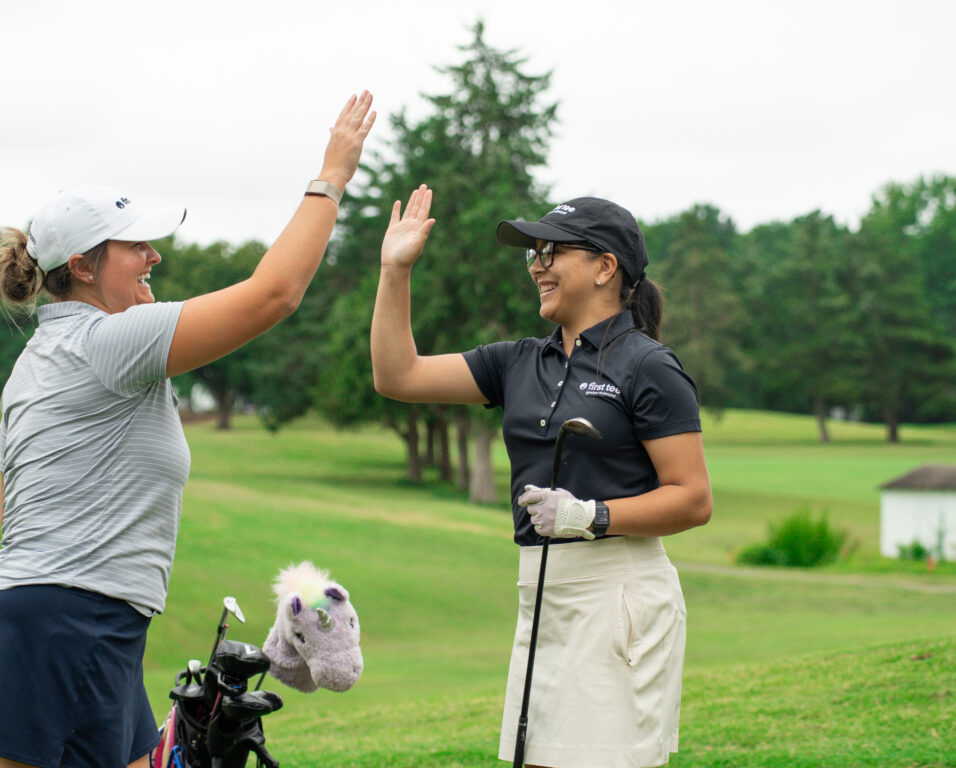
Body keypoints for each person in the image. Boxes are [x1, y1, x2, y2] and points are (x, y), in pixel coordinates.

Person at [0, 91, 375, 768]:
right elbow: (273, 295)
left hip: (74, 618)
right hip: (67, 619)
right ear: (82, 267)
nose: (154, 256)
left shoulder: (41, 359)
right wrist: (333, 178)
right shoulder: (109, 340)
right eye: (134, 245)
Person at [371, 186, 713, 768]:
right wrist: (394, 271)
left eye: (553, 250)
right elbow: (397, 375)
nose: (537, 264)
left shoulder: (649, 365)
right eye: (534, 253)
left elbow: (692, 499)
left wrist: (591, 516)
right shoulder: (518, 361)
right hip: (541, 594)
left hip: (618, 595)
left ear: (606, 267)